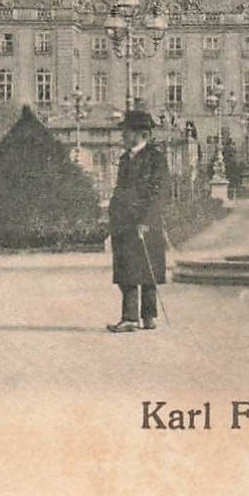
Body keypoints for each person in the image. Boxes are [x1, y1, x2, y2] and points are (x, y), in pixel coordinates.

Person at [106, 109, 169, 333]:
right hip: (123, 222)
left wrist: (146, 219)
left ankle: (148, 316)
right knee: (127, 270)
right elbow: (120, 190)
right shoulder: (125, 159)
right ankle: (131, 318)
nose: (123, 135)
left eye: (126, 131)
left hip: (145, 223)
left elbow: (159, 192)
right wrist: (112, 216)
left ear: (141, 134)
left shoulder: (155, 158)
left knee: (147, 269)